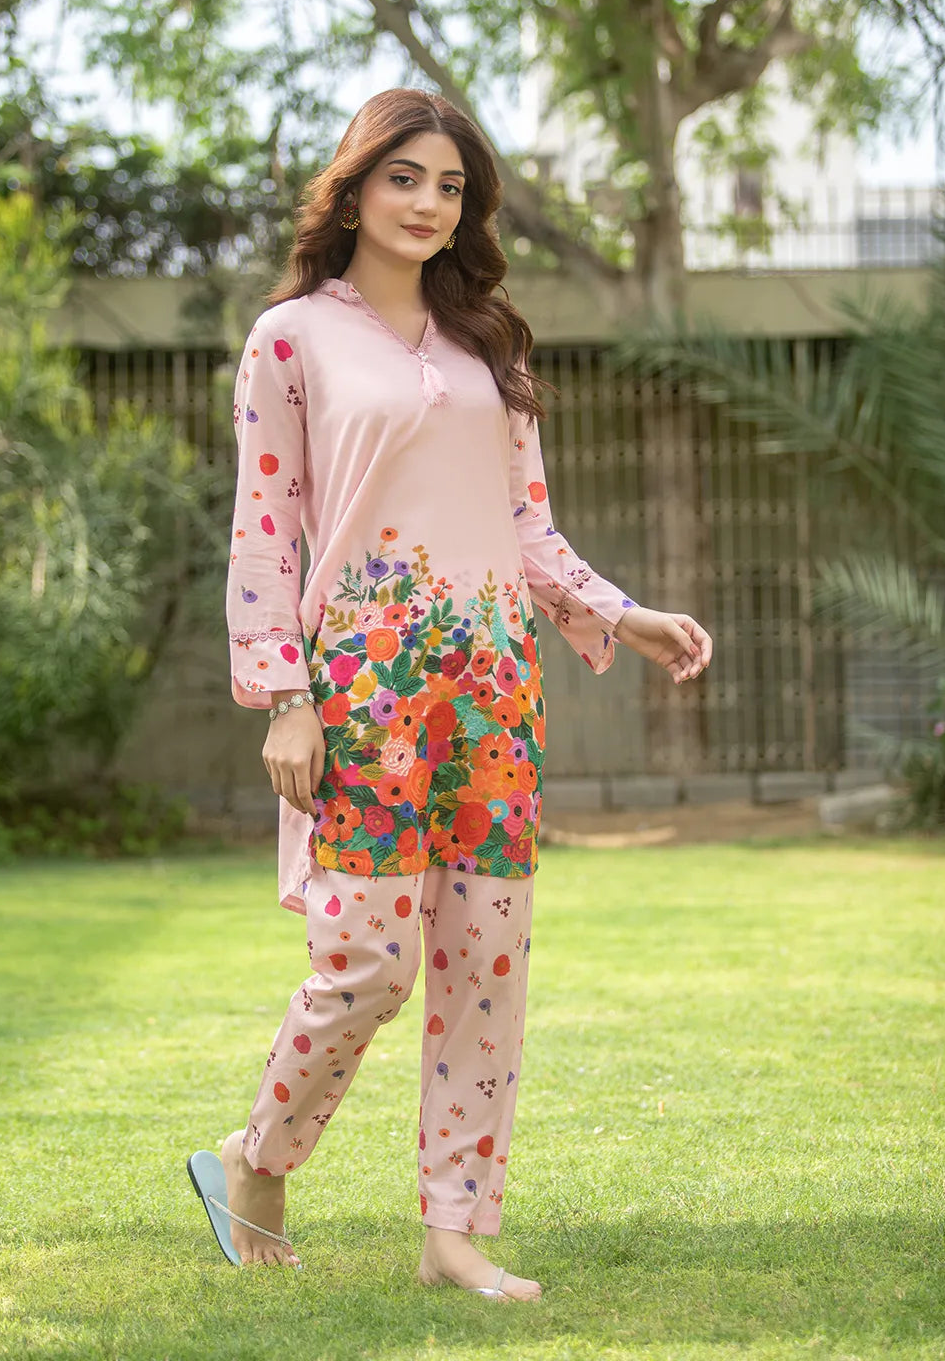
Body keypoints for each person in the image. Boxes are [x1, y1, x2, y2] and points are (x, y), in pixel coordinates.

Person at [195, 87, 712, 1301]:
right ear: (354, 189)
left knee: (487, 960)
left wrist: (618, 613)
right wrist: (283, 694)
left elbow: (528, 527)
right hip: (364, 685)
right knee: (368, 962)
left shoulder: (490, 345)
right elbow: (264, 531)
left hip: (491, 683)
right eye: (404, 178)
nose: (428, 203)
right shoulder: (289, 339)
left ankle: (454, 1231)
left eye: (450, 186)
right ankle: (255, 1158)